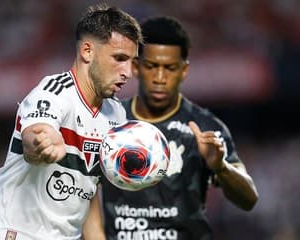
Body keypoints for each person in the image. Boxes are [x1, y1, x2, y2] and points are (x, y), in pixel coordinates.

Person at [0, 4, 142, 240]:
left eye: (131, 61)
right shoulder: (53, 92)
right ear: (87, 51)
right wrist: (44, 144)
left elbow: (89, 189)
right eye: (119, 58)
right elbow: (34, 137)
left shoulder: (116, 116)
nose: (127, 72)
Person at [100, 16, 259, 240]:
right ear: (135, 67)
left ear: (184, 71)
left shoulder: (205, 127)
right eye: (151, 66)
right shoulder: (108, 122)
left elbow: (249, 199)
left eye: (170, 68)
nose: (160, 77)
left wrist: (220, 167)